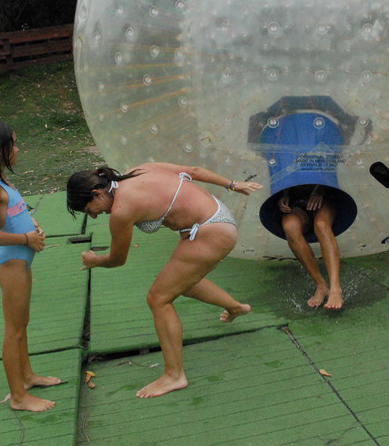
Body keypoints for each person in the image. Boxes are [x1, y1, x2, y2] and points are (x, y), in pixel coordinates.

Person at [66, 163, 262, 398]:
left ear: (97, 193)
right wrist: (233, 184)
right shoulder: (140, 170)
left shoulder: (121, 210)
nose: (95, 214)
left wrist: (94, 260)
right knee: (182, 284)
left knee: (158, 298)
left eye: (90, 209)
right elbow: (195, 170)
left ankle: (174, 375)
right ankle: (236, 307)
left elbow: (117, 259)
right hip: (217, 215)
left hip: (210, 232)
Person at [0, 120, 60, 412]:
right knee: (14, 330)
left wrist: (32, 226)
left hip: (21, 258)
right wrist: (26, 238)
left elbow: (9, 216)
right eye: (14, 144)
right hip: (11, 262)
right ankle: (18, 397)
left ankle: (27, 376)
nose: (18, 149)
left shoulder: (1, 180)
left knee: (22, 324)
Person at [278, 184, 343, 310]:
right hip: (296, 201)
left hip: (325, 195)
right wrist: (284, 194)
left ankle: (335, 289)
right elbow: (281, 170)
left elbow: (332, 165)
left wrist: (320, 190)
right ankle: (321, 285)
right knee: (290, 227)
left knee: (321, 225)